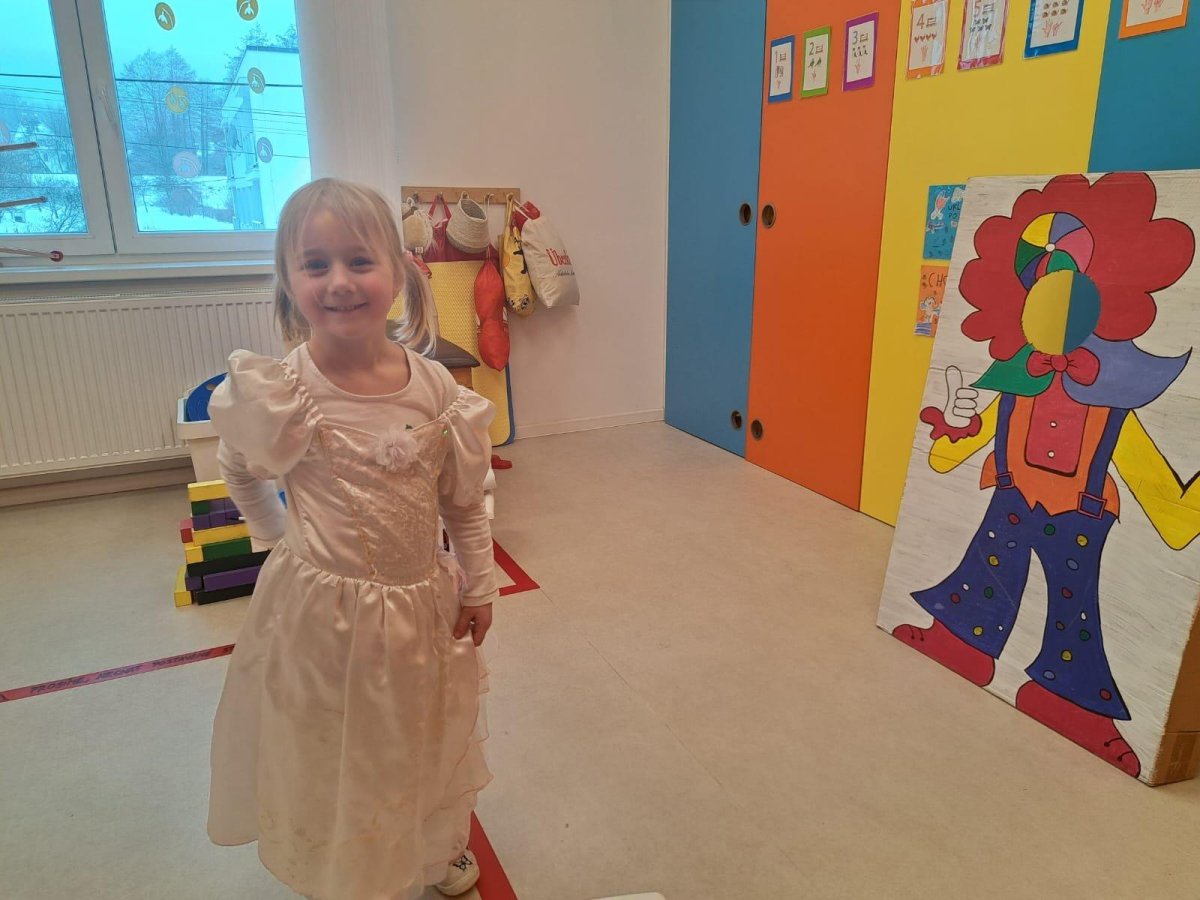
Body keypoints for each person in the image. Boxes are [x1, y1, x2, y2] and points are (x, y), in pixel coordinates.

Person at [205, 177, 497, 898]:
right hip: (322, 621)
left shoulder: (435, 388)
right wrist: (275, 540)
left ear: (399, 272)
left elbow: (462, 498)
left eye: (359, 261)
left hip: (418, 609)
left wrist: (481, 583)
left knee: (414, 733)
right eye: (315, 264)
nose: (339, 281)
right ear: (289, 280)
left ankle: (426, 845)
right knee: (335, 742)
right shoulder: (283, 390)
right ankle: (344, 865)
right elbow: (237, 468)